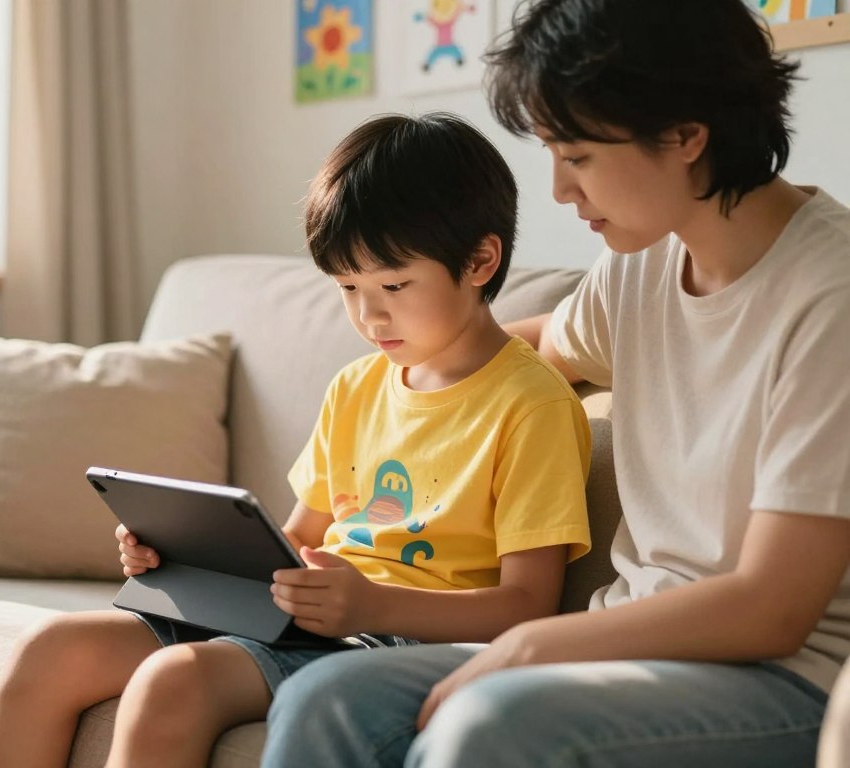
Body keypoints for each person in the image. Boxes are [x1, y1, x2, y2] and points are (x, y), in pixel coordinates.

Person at [260, 1, 850, 766]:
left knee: (489, 723)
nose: (561, 191)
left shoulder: (829, 300)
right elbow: (523, 351)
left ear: (683, 138)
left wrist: (540, 641)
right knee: (322, 696)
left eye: (576, 157)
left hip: (778, 680)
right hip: (620, 645)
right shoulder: (639, 267)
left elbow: (771, 610)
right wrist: (404, 393)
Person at [0, 112, 593, 768]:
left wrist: (372, 602)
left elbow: (528, 608)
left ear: (480, 261)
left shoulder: (530, 404)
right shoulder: (357, 386)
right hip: (303, 615)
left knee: (172, 682)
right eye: (348, 288)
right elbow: (297, 539)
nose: (368, 314)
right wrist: (188, 557)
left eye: (394, 286)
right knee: (53, 649)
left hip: (395, 638)